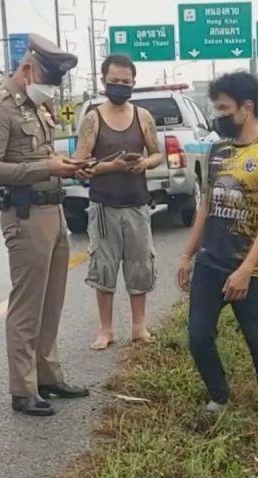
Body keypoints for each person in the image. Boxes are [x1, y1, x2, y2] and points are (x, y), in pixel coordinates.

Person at [175, 72, 258, 446]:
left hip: (249, 269)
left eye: (224, 108)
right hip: (210, 264)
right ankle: (219, 395)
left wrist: (245, 270)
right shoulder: (218, 152)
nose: (219, 115)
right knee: (198, 338)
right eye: (217, 108)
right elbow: (205, 207)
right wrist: (187, 255)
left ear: (247, 107)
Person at [0, 35, 90, 417]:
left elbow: (41, 154)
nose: (50, 89)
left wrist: (64, 166)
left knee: (52, 300)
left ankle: (47, 376)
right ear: (27, 69)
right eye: (46, 79)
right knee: (28, 304)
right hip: (25, 216)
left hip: (53, 211)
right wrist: (46, 167)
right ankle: (22, 389)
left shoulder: (37, 106)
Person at [72, 54, 165, 351]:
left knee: (140, 265)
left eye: (126, 82)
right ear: (104, 81)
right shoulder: (93, 119)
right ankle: (106, 329)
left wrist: (144, 164)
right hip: (103, 205)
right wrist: (111, 167)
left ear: (134, 82)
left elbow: (157, 153)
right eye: (114, 81)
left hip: (137, 204)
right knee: (104, 266)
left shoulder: (143, 117)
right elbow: (79, 164)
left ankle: (139, 327)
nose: (120, 86)